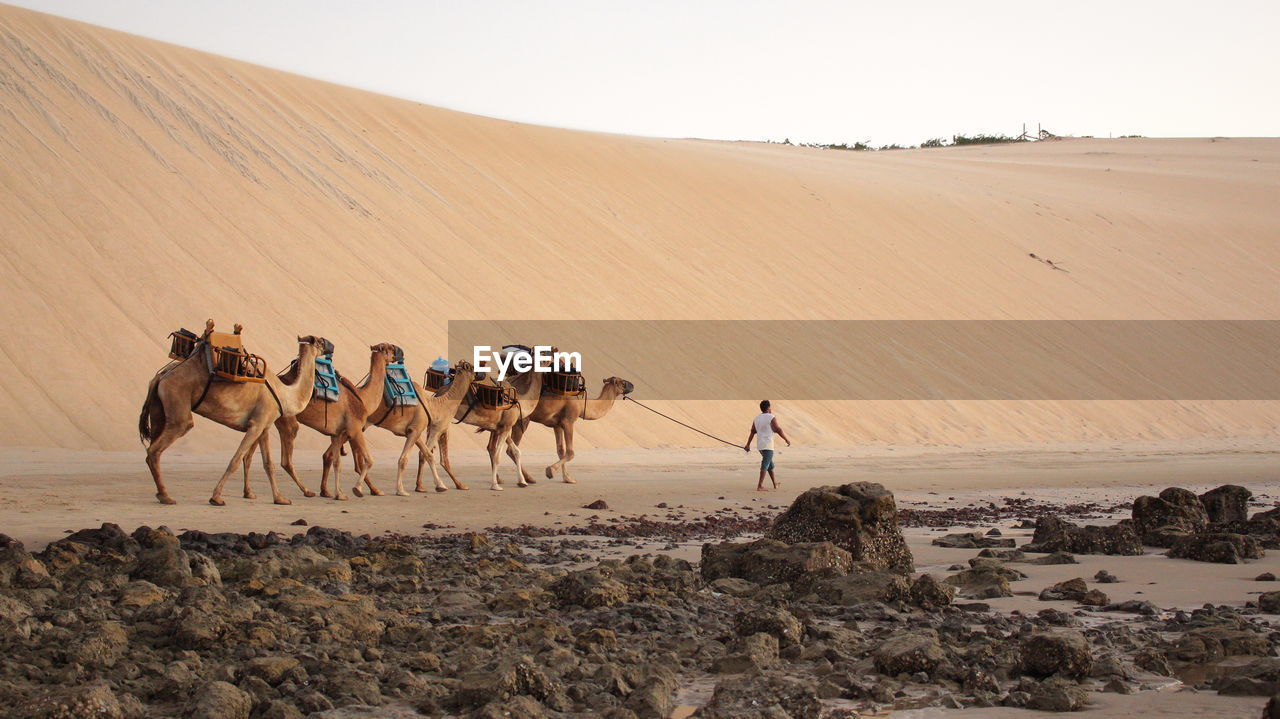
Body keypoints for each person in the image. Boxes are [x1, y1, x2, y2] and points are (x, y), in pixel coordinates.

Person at [743, 400, 790, 491]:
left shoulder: (756, 418)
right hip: (768, 445)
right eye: (770, 407)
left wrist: (748, 444)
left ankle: (775, 483)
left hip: (760, 446)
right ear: (768, 408)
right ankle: (760, 486)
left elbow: (753, 432)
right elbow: (778, 429)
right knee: (765, 463)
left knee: (770, 465)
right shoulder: (771, 417)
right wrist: (786, 439)